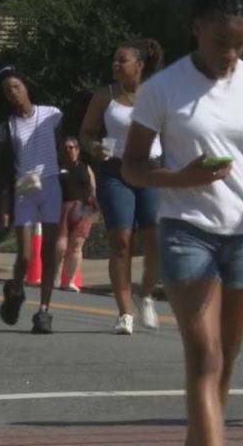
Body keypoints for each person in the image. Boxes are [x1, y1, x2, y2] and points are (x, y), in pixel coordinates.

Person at [123, 0, 243, 446]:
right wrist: (178, 178)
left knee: (226, 361)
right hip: (186, 233)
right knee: (204, 357)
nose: (229, 53)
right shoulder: (162, 90)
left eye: (239, 44)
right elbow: (132, 167)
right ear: (196, 29)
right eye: (219, 42)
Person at [80, 38, 164, 334]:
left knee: (153, 238)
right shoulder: (105, 95)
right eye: (114, 60)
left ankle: (147, 294)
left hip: (151, 169)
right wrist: (93, 148)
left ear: (139, 65)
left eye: (122, 60)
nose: (116, 65)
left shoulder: (158, 94)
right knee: (121, 240)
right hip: (114, 171)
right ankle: (124, 312)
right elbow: (87, 133)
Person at [0, 67, 63, 334]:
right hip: (24, 190)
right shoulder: (7, 127)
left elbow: (65, 146)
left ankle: (44, 311)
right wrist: (4, 207)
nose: (13, 93)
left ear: (26, 86)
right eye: (7, 91)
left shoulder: (52, 114)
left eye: (16, 87)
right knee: (24, 254)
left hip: (51, 184)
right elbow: (2, 170)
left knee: (49, 251)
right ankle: (15, 289)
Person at [56, 137, 97, 293]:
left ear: (78, 150)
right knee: (60, 246)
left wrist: (94, 206)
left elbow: (93, 187)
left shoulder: (86, 168)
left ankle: (70, 281)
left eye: (72, 147)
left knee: (76, 246)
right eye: (66, 148)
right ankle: (56, 278)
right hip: (63, 207)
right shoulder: (58, 169)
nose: (69, 150)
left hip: (83, 209)